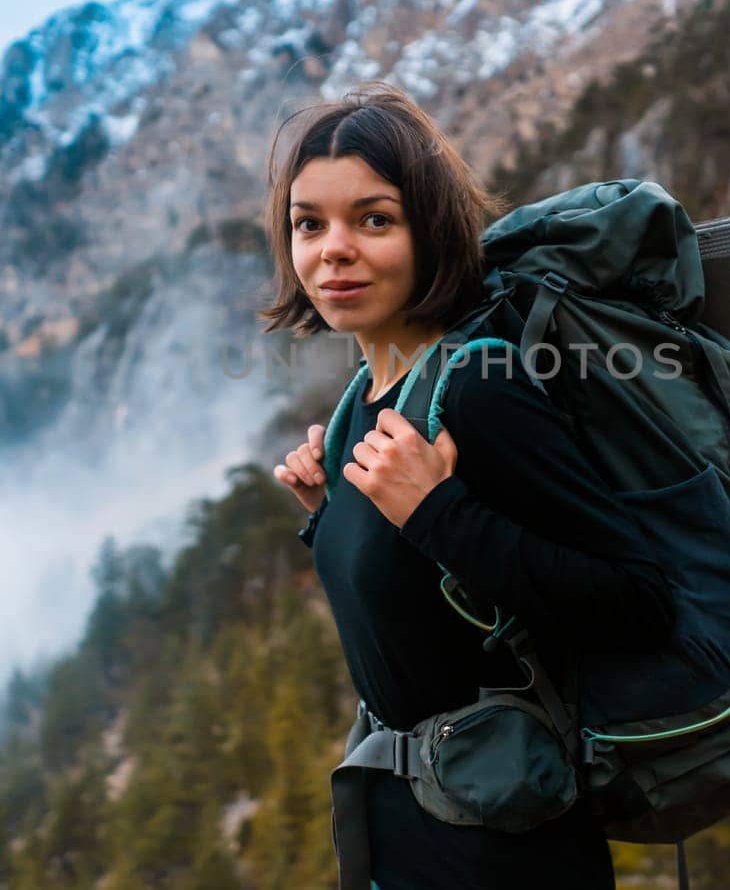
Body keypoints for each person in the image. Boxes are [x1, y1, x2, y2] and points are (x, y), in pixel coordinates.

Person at [259, 82, 674, 889]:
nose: (331, 250)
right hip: (411, 838)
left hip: (508, 855)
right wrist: (332, 518)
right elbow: (421, 625)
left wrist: (437, 512)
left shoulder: (480, 386)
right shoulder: (364, 399)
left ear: (429, 231)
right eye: (310, 223)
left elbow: (639, 598)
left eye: (373, 219)